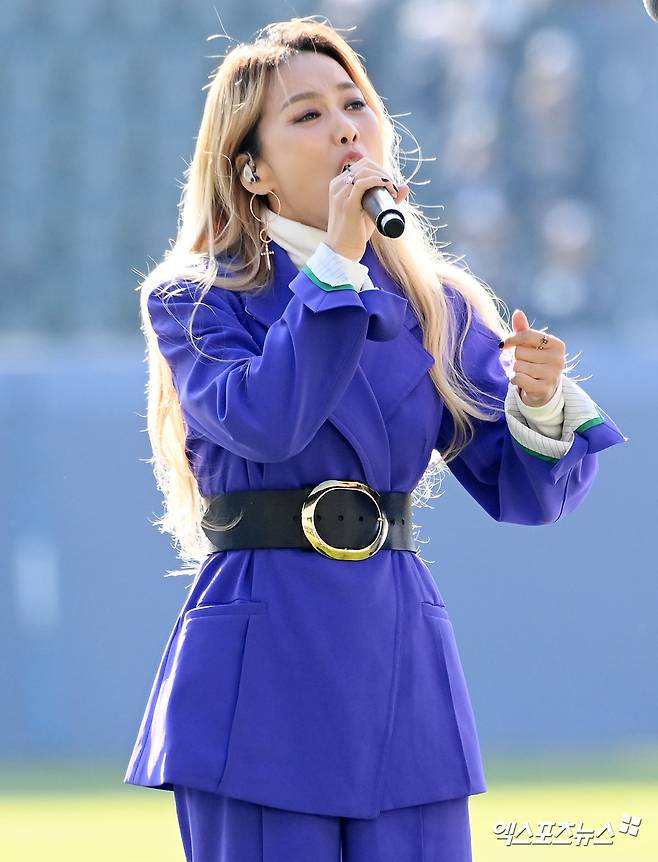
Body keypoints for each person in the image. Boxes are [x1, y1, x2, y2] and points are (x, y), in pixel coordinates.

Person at [122, 17, 629, 862]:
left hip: (399, 663)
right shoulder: (195, 297)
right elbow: (266, 418)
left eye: (355, 103)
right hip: (260, 666)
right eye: (307, 115)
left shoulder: (439, 302)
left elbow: (524, 493)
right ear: (252, 170)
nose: (346, 128)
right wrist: (338, 262)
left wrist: (538, 403)